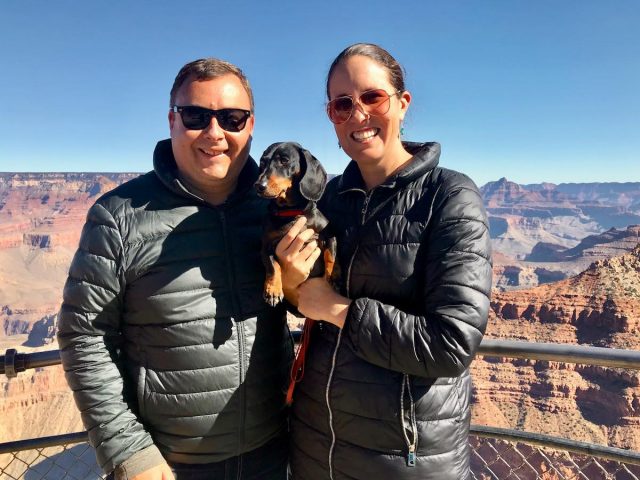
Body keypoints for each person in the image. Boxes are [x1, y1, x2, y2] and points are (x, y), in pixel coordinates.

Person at [57, 58, 293, 480]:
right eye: (196, 116)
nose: (214, 133)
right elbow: (84, 335)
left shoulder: (277, 209)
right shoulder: (119, 216)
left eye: (232, 118)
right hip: (171, 465)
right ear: (172, 120)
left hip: (277, 451)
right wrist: (128, 453)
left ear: (251, 125)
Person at [277, 43, 493, 479]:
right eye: (342, 104)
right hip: (315, 450)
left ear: (402, 102)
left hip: (403, 461)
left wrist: (337, 310)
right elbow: (304, 299)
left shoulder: (449, 197)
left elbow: (451, 344)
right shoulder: (329, 199)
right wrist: (292, 283)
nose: (358, 115)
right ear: (331, 117)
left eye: (372, 97)